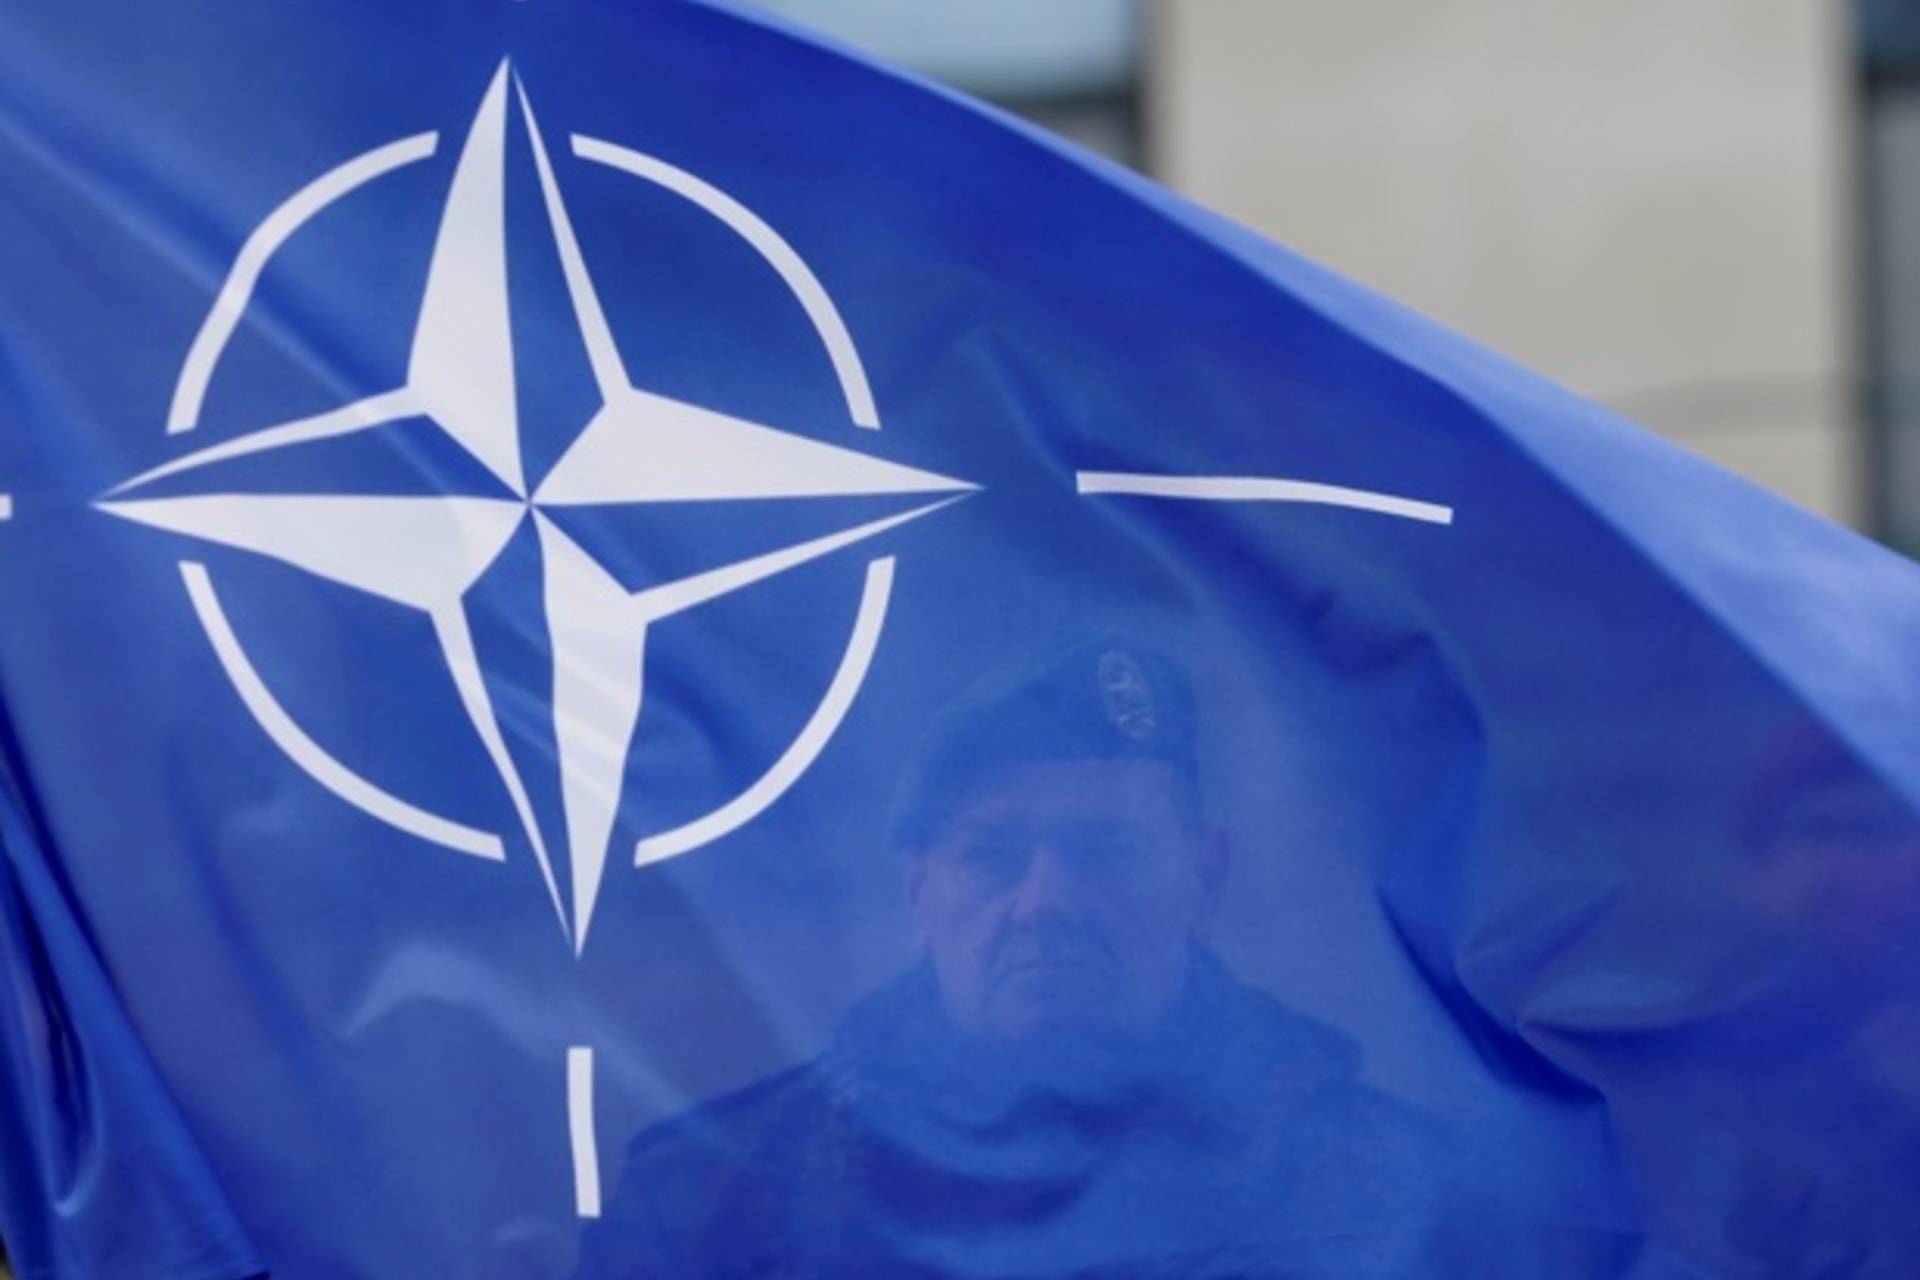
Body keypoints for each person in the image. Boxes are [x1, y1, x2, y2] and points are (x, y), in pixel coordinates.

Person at [577, 639, 1619, 1278]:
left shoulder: (1400, 1196)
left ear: (1202, 878)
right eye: (993, 853)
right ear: (919, 893)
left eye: (1104, 850)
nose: (1045, 902)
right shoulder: (719, 1196)